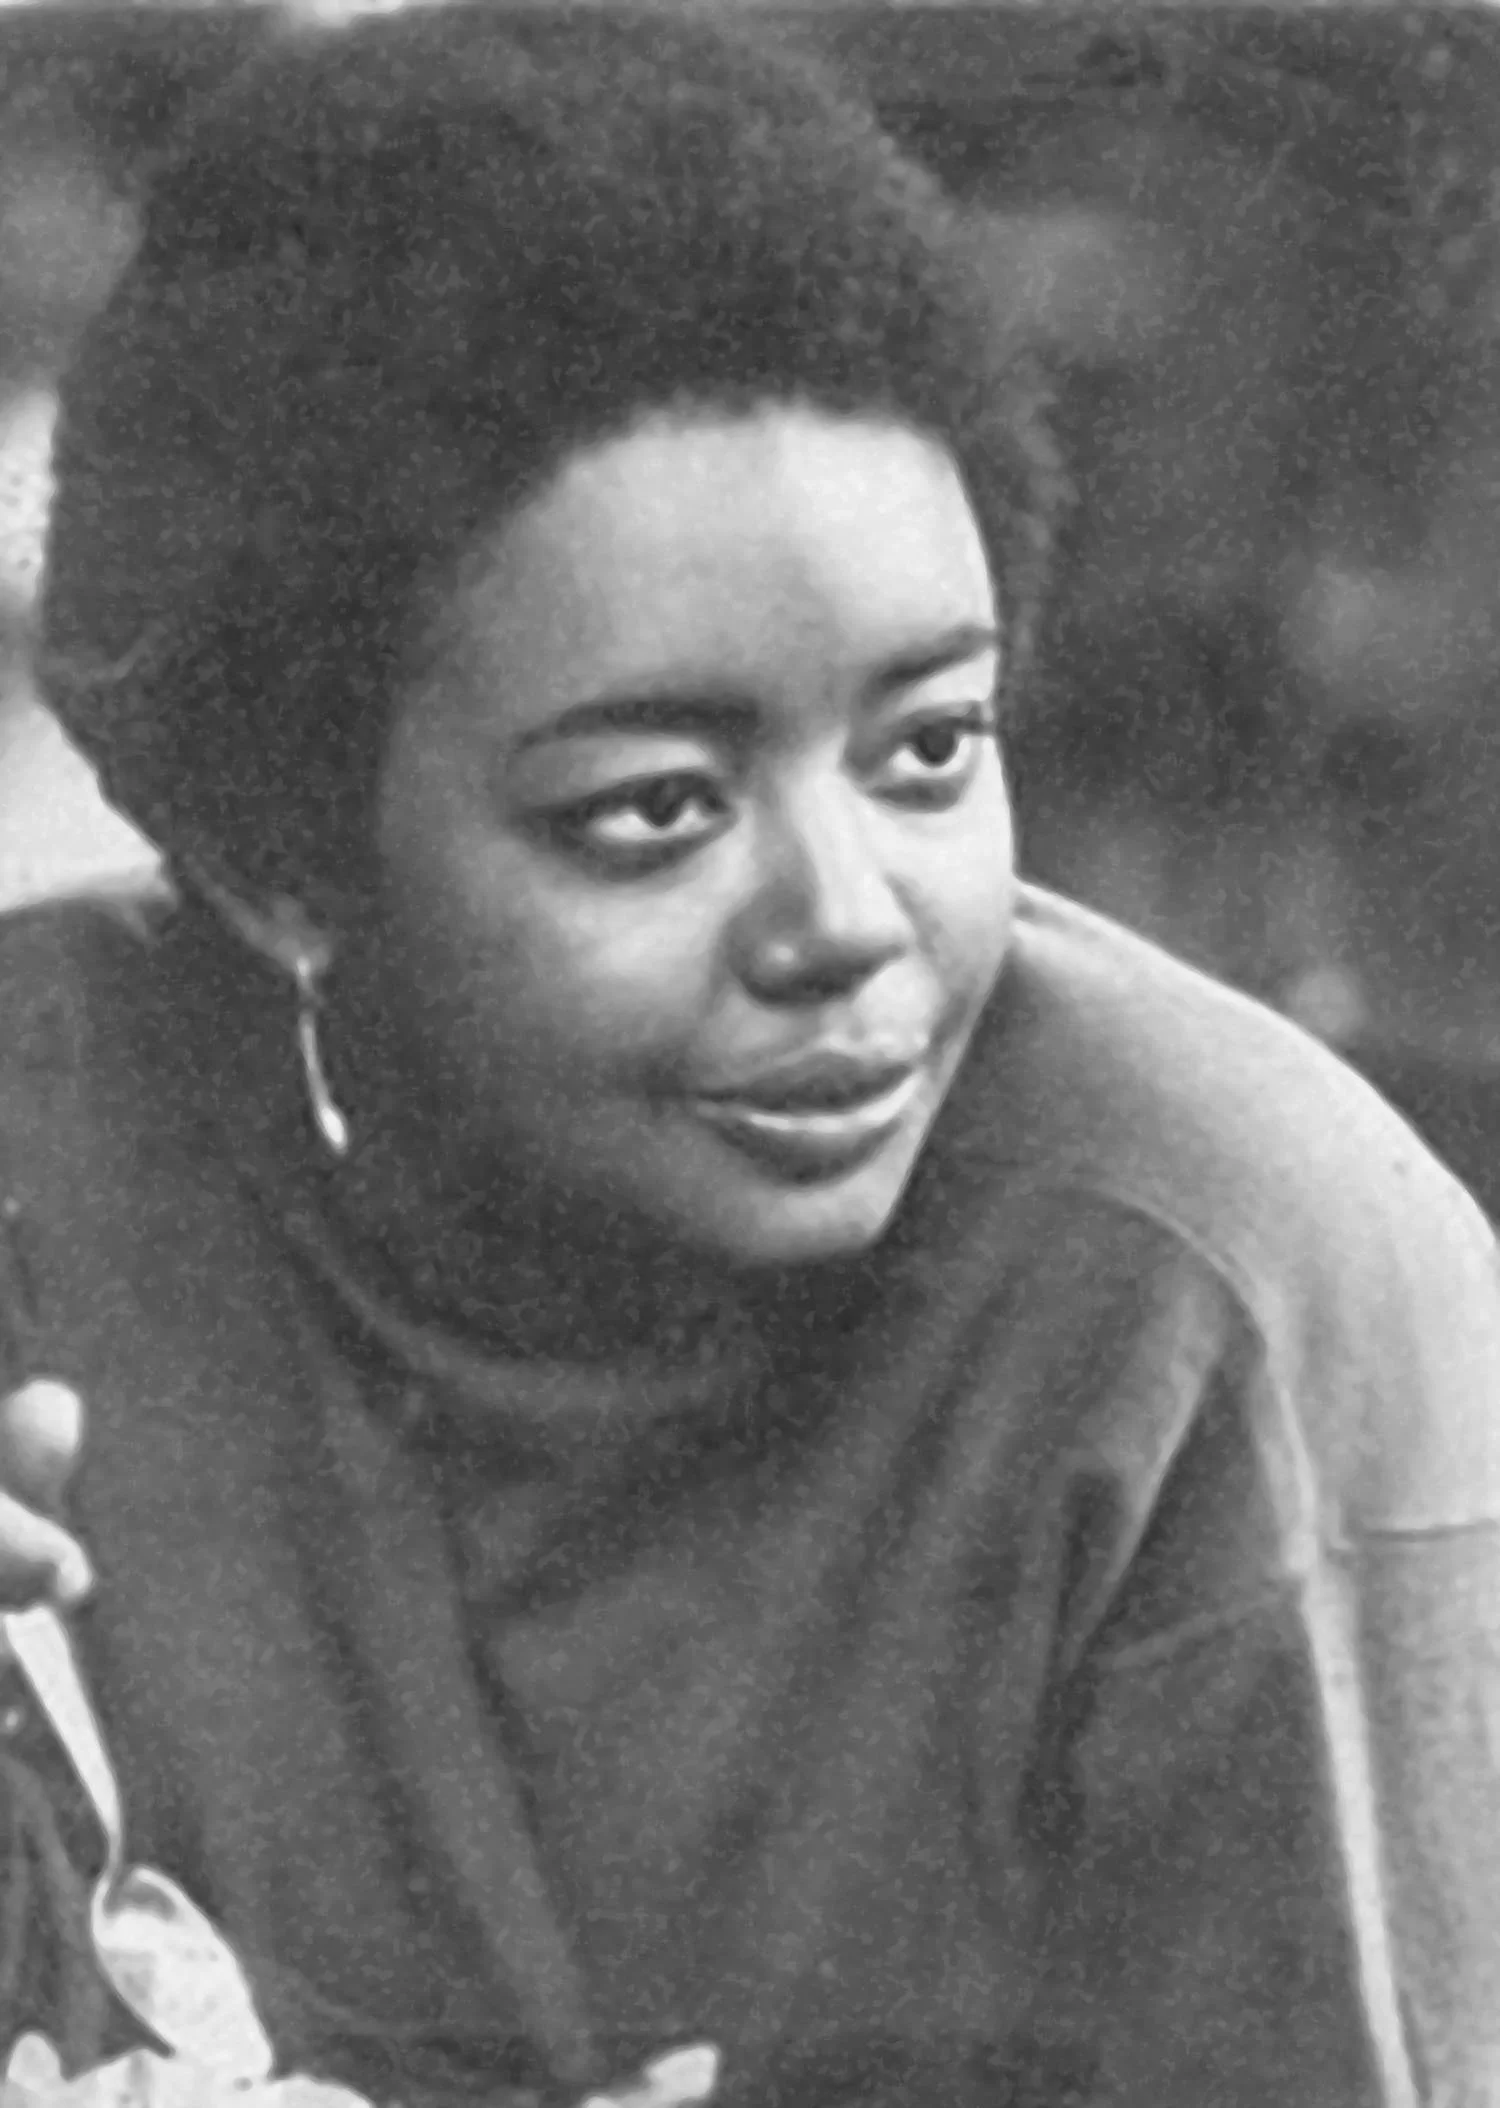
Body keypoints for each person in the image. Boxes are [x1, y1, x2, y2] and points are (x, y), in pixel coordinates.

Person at [0, 9, 1496, 2105]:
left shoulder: (1216, 1291)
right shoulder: (52, 1162)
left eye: (931, 748)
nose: (846, 920)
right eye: (656, 810)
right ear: (279, 867)